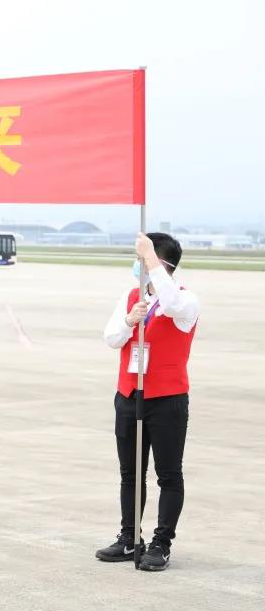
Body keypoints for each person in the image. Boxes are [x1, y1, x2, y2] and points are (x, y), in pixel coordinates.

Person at [96, 232, 200, 572]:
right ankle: (130, 537)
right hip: (129, 395)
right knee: (130, 473)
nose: (138, 265)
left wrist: (151, 258)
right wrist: (130, 321)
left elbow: (170, 304)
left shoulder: (185, 301)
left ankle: (161, 543)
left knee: (168, 474)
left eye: (141, 259)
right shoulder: (131, 297)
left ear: (158, 262)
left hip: (167, 400)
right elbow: (111, 338)